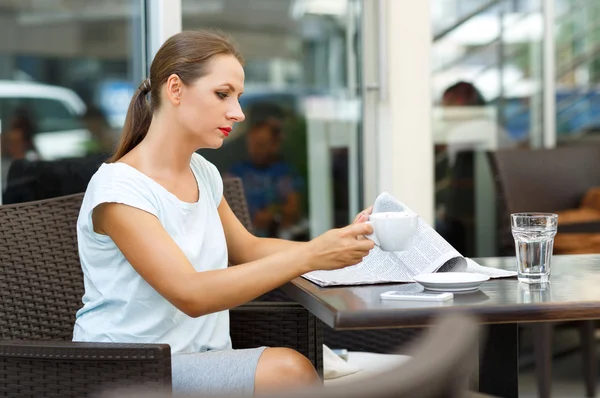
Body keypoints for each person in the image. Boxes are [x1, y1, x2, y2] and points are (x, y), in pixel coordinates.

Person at [72, 29, 375, 396]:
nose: (239, 113)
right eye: (222, 94)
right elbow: (191, 294)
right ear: (175, 89)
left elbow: (247, 249)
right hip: (130, 368)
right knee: (289, 372)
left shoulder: (202, 172)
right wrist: (312, 255)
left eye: (239, 97)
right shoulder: (120, 190)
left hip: (199, 359)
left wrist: (336, 244)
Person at [228, 118, 303, 238]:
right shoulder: (237, 171)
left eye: (260, 144)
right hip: (240, 235)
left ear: (275, 145)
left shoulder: (283, 173)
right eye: (251, 144)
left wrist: (273, 213)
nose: (254, 150)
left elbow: (293, 208)